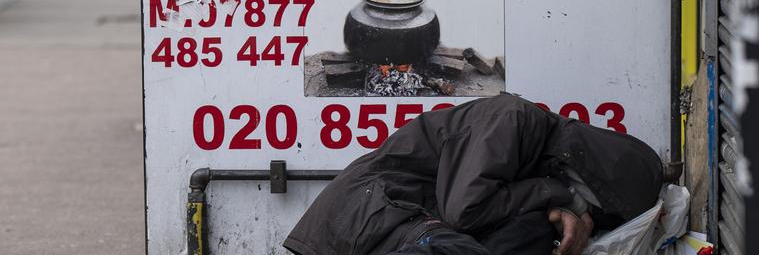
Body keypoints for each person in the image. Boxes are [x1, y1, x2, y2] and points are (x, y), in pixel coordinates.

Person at [284, 93, 665, 255]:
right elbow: (464, 211)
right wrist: (554, 194)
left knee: (520, 238)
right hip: (369, 211)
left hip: (396, 216)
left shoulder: (528, 149)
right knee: (456, 251)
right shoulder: (515, 120)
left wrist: (550, 208)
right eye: (589, 206)